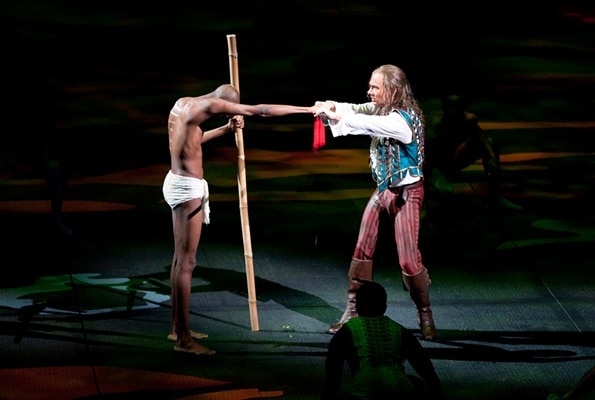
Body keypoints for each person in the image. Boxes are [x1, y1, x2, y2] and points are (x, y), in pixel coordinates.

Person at [163, 84, 314, 356]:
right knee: (187, 263)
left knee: (179, 260)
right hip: (186, 189)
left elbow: (192, 140)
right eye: (226, 112)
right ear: (221, 104)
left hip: (176, 181)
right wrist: (308, 110)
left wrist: (225, 130)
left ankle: (177, 328)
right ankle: (183, 340)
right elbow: (262, 111)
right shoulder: (210, 106)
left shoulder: (184, 104)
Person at [314, 64, 437, 340]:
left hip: (406, 194)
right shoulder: (380, 109)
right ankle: (352, 310)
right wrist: (330, 106)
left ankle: (425, 312)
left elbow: (366, 123)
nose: (369, 91)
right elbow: (355, 109)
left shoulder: (401, 120)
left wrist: (336, 116)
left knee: (408, 260)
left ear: (392, 90)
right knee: (362, 247)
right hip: (383, 190)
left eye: (375, 87)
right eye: (370, 86)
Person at [321, 280, 444, 400]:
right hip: (398, 387)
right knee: (417, 383)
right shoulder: (398, 329)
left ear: (357, 306)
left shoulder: (347, 331)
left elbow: (333, 371)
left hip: (365, 390)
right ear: (384, 308)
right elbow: (426, 368)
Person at [424, 92, 521, 212]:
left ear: (463, 107)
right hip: (434, 167)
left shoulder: (469, 120)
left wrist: (492, 156)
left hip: (454, 159)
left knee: (491, 144)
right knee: (445, 191)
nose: (453, 112)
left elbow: (480, 135)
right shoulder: (434, 125)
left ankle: (495, 198)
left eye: (457, 108)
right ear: (444, 108)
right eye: (449, 108)